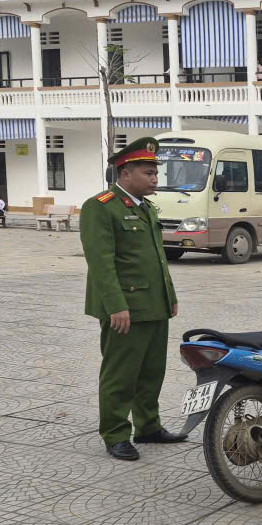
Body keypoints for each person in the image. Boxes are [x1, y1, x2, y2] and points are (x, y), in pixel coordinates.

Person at [80, 137, 184, 460]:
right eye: (148, 173)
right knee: (120, 374)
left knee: (152, 372)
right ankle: (115, 434)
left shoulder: (146, 208)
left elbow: (157, 259)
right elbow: (101, 262)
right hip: (125, 308)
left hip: (154, 305)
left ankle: (148, 426)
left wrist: (170, 296)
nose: (154, 179)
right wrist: (116, 306)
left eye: (155, 173)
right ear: (125, 173)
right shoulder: (100, 206)